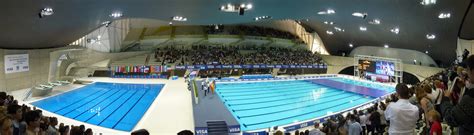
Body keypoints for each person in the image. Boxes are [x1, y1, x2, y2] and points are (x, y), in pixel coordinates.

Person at [441, 55, 474, 134]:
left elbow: (451, 119)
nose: (467, 74)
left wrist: (445, 99)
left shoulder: (471, 96)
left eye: (468, 70)